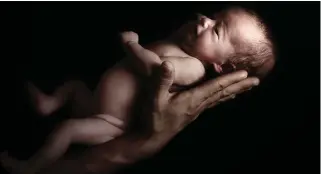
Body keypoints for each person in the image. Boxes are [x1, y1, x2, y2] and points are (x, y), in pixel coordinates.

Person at [1, 6, 273, 174]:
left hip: (111, 121)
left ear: (221, 68)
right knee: (74, 86)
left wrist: (132, 45)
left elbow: (158, 70)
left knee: (68, 129)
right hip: (95, 100)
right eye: (213, 17)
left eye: (216, 30)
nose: (205, 20)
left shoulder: (194, 68)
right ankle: (49, 104)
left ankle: (31, 168)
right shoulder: (181, 44)